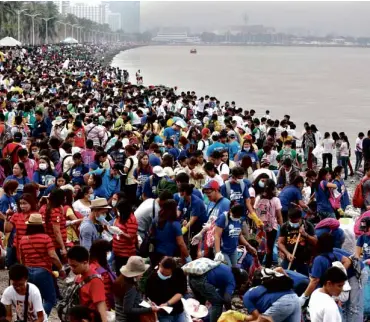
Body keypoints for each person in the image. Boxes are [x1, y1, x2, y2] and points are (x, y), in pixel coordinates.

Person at [19, 213, 65, 315]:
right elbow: (52, 255)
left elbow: (21, 258)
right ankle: (41, 318)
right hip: (43, 271)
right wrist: (61, 268)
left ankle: (32, 318)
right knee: (50, 300)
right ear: (41, 225)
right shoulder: (46, 238)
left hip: (28, 271)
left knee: (32, 299)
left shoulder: (23, 239)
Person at [67, 246, 107, 322]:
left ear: (85, 263)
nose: (72, 269)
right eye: (70, 265)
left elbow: (101, 307)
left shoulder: (95, 281)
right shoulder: (80, 274)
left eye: (74, 266)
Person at [113, 256, 158, 322]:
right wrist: (150, 309)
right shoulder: (131, 287)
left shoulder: (120, 281)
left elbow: (132, 301)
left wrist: (148, 303)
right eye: (140, 272)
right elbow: (128, 310)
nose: (142, 274)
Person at [150, 199, 191, 267]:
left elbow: (152, 233)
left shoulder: (156, 220)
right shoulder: (175, 224)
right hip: (169, 256)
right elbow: (181, 243)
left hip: (156, 253)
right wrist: (188, 257)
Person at [145, 256, 187, 322]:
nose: (164, 275)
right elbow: (148, 298)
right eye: (162, 273)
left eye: (167, 274)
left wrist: (167, 304)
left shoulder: (178, 272)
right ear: (159, 265)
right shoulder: (151, 278)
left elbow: (180, 292)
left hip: (177, 310)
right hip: (162, 314)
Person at [278, 208, 316, 276]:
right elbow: (280, 243)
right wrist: (287, 253)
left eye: (295, 221)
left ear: (300, 218)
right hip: (289, 258)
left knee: (304, 279)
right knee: (282, 276)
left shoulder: (308, 226)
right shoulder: (285, 226)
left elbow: (315, 242)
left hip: (303, 259)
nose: (292, 223)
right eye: (291, 221)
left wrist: (305, 235)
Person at [254, 179, 283, 268]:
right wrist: (282, 228)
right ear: (274, 188)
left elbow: (255, 212)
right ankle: (267, 267)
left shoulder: (259, 198)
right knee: (269, 248)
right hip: (272, 228)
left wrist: (255, 225)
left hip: (260, 227)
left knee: (259, 246)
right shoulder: (276, 200)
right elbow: (279, 216)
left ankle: (257, 266)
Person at [112, 199, 138, 274]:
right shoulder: (121, 217)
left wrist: (120, 233)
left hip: (126, 254)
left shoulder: (131, 220)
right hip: (117, 252)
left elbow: (131, 237)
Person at [89, 240, 116, 311]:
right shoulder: (101, 272)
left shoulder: (90, 265)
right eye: (107, 253)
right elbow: (104, 294)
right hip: (102, 308)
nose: (107, 255)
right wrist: (106, 310)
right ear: (102, 253)